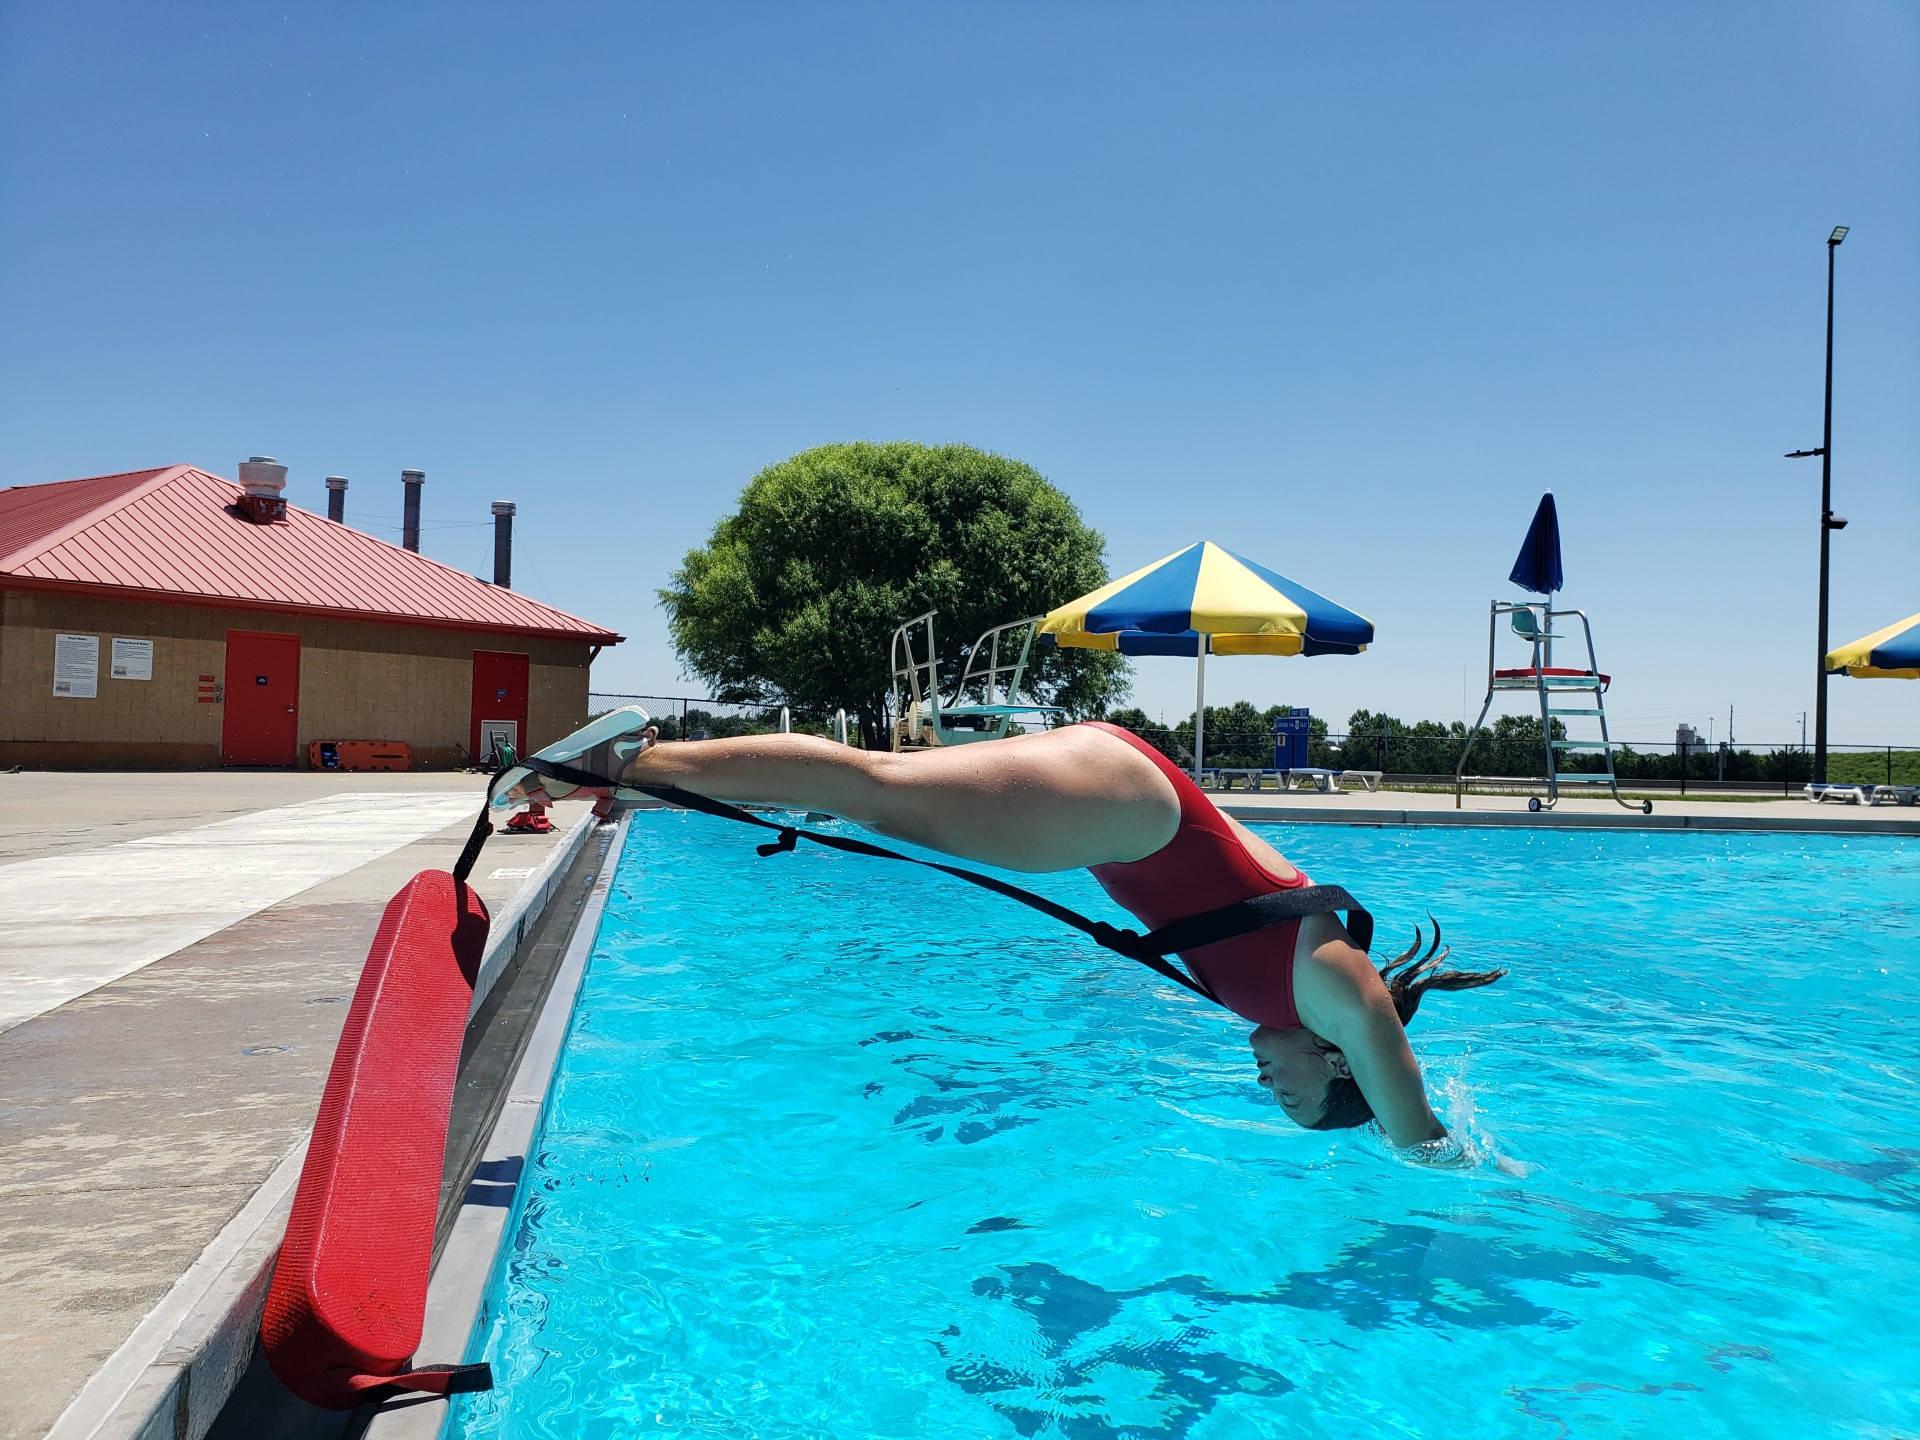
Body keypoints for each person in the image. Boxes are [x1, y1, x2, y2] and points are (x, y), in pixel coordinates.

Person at [503, 712, 1504, 1148]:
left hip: (1115, 812)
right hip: (1122, 811)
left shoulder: (1286, 988)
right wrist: (1434, 1158)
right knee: (875, 787)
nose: (1264, 1085)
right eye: (1289, 1097)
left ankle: (638, 785)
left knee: (870, 797)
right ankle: (632, 758)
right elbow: (1398, 1070)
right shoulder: (1335, 988)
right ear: (1337, 1068)